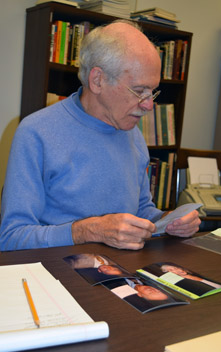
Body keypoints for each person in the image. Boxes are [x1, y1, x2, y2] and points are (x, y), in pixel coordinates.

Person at [0, 20, 200, 251]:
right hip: (56, 276)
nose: (148, 106)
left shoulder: (132, 133)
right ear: (97, 80)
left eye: (152, 92)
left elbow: (141, 209)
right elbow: (10, 237)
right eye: (138, 91)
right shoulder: (37, 132)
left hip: (121, 271)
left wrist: (169, 221)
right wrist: (87, 230)